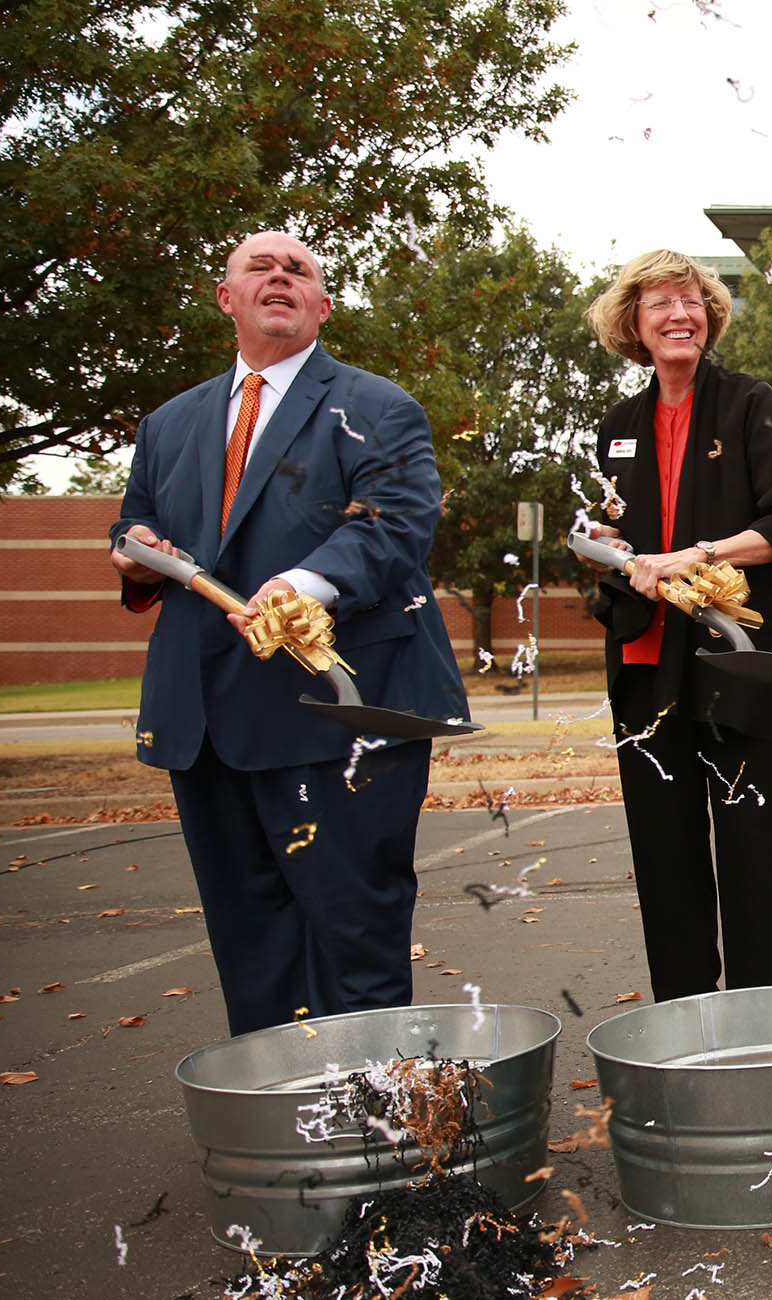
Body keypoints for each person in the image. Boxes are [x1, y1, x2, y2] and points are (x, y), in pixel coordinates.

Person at [110, 231, 467, 1037]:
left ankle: (376, 1131)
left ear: (322, 305)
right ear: (226, 298)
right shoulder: (167, 424)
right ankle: (283, 1126)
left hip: (337, 713)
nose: (280, 276)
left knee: (354, 935)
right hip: (205, 721)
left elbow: (395, 523)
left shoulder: (379, 408)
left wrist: (303, 585)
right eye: (259, 268)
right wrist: (135, 557)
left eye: (298, 269)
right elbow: (139, 522)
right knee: (251, 946)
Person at [579, 250, 772, 1003]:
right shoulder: (616, 426)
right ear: (634, 323)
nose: (679, 314)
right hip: (651, 678)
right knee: (668, 873)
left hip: (749, 671)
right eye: (659, 303)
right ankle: (684, 1035)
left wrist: (700, 554)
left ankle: (770, 1036)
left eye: (691, 300)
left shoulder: (751, 402)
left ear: (710, 317)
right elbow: (614, 539)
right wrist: (607, 553)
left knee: (761, 874)